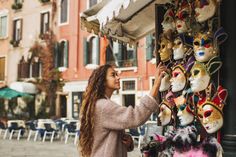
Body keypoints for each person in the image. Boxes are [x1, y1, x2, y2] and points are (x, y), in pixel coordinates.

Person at [79, 63, 166, 157]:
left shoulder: (100, 104)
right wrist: (156, 84)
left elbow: (105, 137)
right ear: (103, 81)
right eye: (113, 75)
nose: (118, 78)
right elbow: (135, 116)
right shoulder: (103, 106)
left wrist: (127, 141)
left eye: (117, 74)